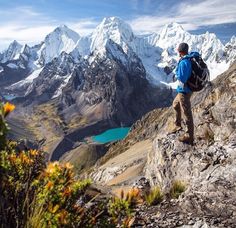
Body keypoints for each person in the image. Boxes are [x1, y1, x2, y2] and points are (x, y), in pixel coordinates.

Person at [170, 42, 194, 145]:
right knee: (175, 105)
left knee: (187, 113)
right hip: (182, 90)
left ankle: (189, 136)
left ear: (180, 51)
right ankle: (178, 125)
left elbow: (182, 78)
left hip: (185, 91)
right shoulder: (187, 59)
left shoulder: (185, 62)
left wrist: (176, 74)